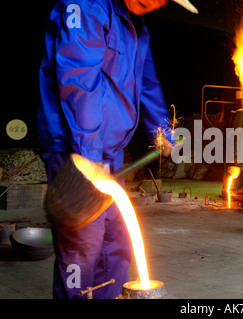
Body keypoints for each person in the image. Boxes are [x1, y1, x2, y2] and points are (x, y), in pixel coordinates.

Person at [37, 0, 174, 299]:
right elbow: (78, 82)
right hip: (74, 151)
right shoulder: (85, 6)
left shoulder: (138, 28)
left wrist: (163, 131)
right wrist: (90, 158)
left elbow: (148, 84)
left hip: (110, 152)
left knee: (116, 242)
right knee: (81, 245)